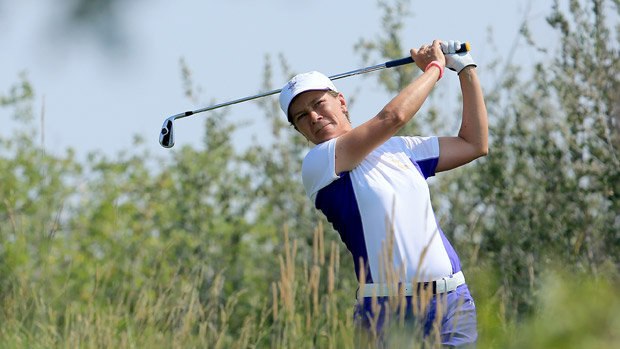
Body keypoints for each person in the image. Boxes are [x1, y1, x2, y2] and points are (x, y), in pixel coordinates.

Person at [278, 40, 487, 347]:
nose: (313, 117)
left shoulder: (402, 149)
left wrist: (465, 68)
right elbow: (393, 118)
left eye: (319, 104)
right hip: (386, 314)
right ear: (300, 131)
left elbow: (474, 144)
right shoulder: (319, 164)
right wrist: (435, 68)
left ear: (342, 102)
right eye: (301, 116)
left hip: (451, 303)